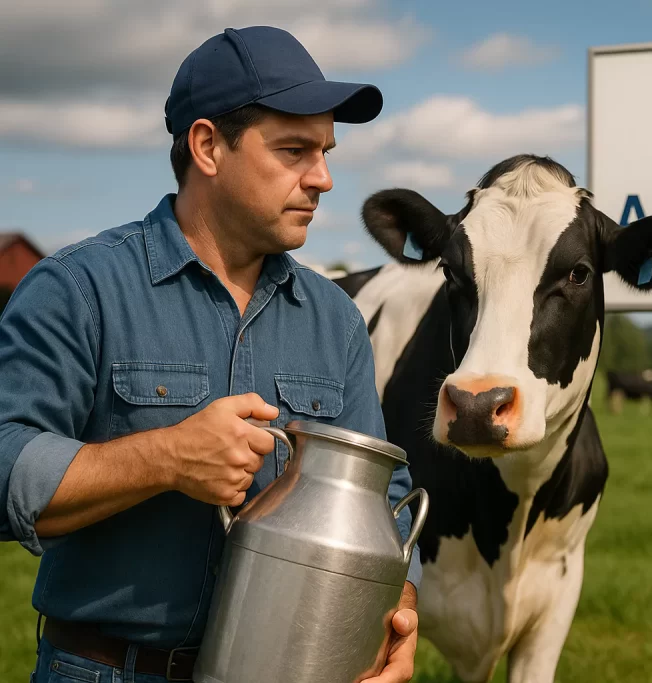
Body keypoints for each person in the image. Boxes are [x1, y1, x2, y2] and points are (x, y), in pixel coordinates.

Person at [0, 26, 421, 683]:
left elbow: (385, 496)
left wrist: (398, 611)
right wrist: (164, 457)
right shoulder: (78, 289)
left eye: (326, 151)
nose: (324, 178)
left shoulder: (335, 319)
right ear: (207, 147)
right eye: (294, 150)